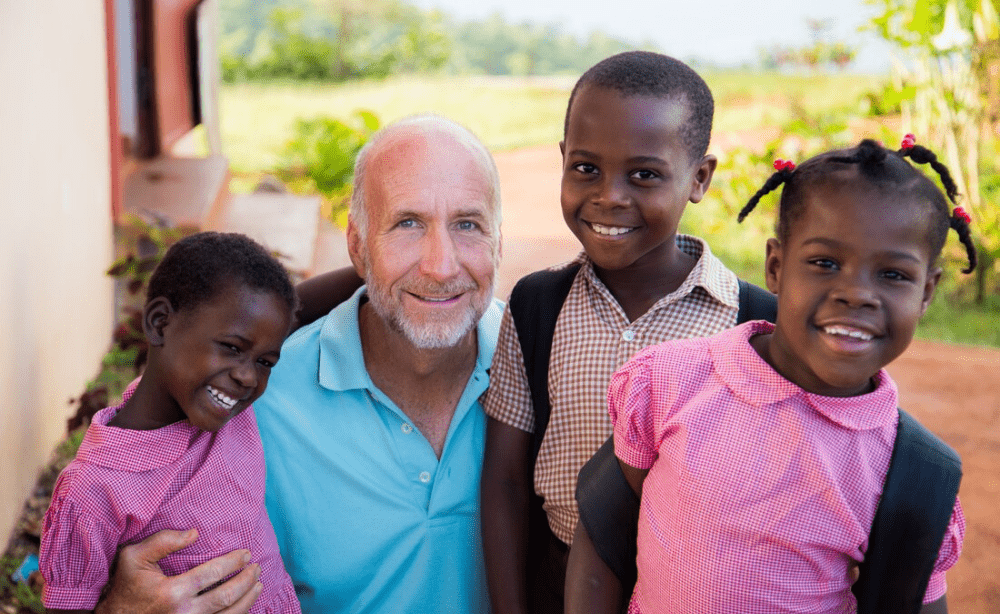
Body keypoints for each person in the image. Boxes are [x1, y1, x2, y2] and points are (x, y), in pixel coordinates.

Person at [91, 115, 504, 614]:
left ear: (498, 242)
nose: (441, 265)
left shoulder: (545, 367)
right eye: (407, 223)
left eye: (468, 224)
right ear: (357, 244)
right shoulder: (254, 402)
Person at [607, 137, 973, 613]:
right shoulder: (672, 381)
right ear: (776, 267)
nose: (856, 294)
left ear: (927, 292)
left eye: (893, 275)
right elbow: (606, 525)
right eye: (825, 263)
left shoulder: (912, 474)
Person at [480, 51, 755, 613]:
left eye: (645, 175)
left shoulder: (750, 325)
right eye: (586, 168)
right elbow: (506, 480)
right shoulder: (537, 306)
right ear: (562, 160)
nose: (610, 196)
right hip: (555, 582)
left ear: (699, 178)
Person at [39, 232, 300, 614]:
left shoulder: (229, 419)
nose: (248, 377)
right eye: (232, 347)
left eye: (265, 362)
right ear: (160, 323)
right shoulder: (94, 490)